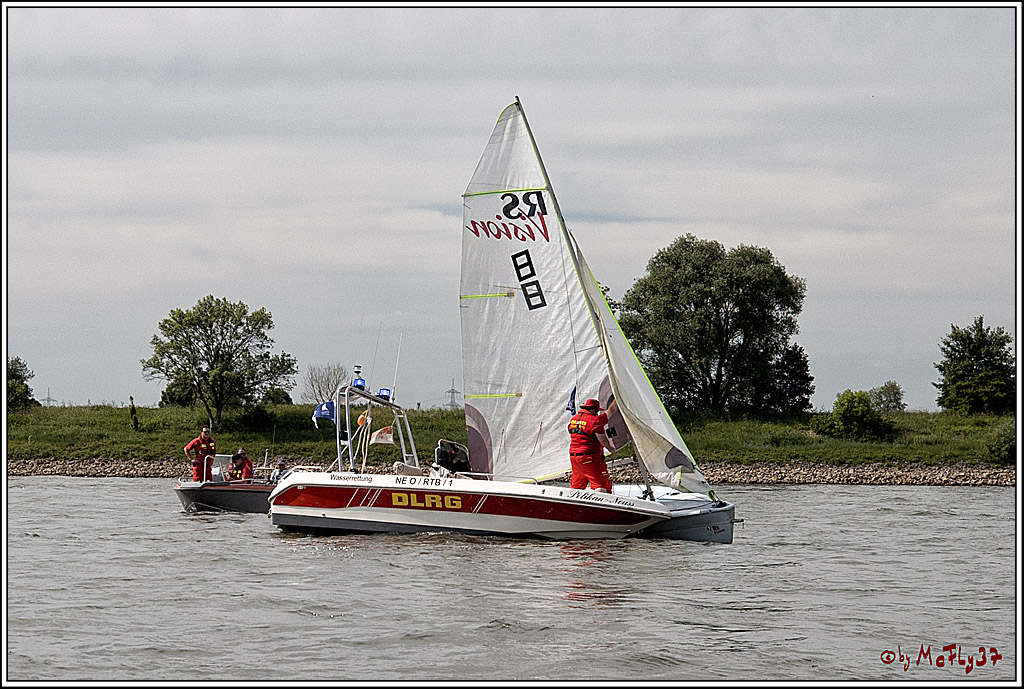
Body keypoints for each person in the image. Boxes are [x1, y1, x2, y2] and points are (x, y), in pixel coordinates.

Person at [567, 398, 616, 493]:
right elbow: (603, 440)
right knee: (600, 484)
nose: (597, 413)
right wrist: (611, 449)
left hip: (574, 457)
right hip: (589, 457)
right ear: (593, 410)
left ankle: (573, 505)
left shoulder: (574, 419)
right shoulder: (594, 421)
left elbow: (610, 411)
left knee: (577, 486)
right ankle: (601, 506)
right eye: (597, 411)